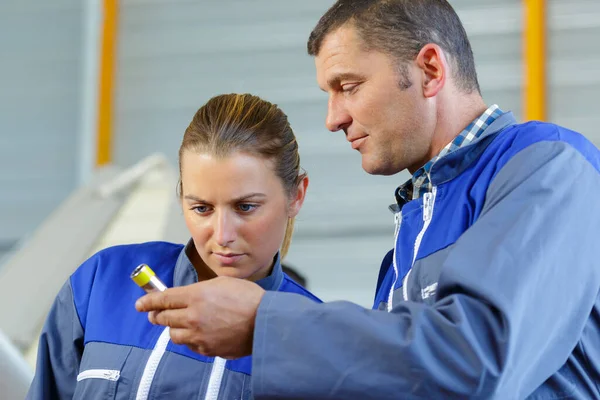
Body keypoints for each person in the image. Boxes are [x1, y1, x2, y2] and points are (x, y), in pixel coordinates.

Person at [135, 0, 600, 398]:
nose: (333, 118)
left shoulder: (547, 168)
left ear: (430, 70)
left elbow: (478, 360)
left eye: (348, 86)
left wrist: (265, 323)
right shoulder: (405, 245)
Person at [26, 93, 319, 400]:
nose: (222, 235)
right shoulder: (100, 282)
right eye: (202, 208)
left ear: (296, 196)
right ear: (181, 197)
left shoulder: (312, 336)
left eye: (245, 207)